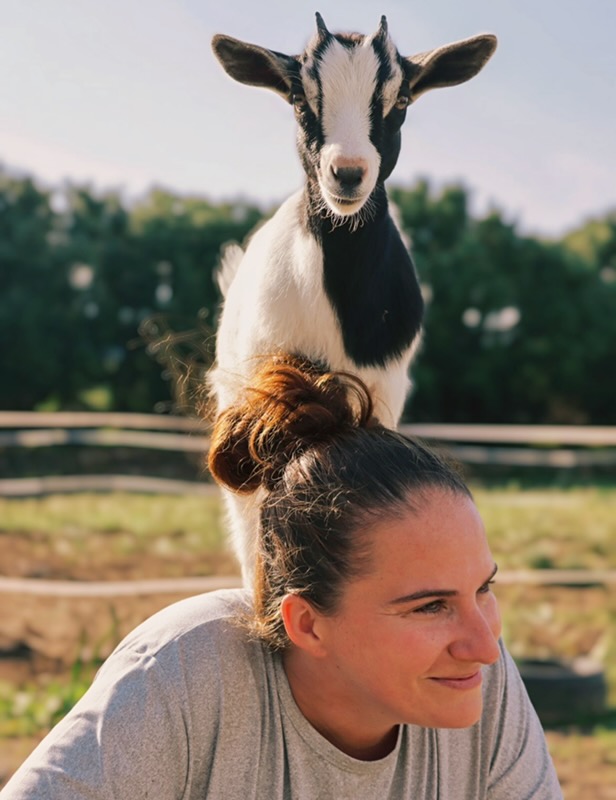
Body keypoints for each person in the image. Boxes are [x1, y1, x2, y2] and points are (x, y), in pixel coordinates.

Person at [1, 356, 562, 799]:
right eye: (429, 606)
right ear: (309, 624)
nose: (485, 647)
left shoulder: (473, 682)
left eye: (483, 589)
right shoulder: (182, 673)